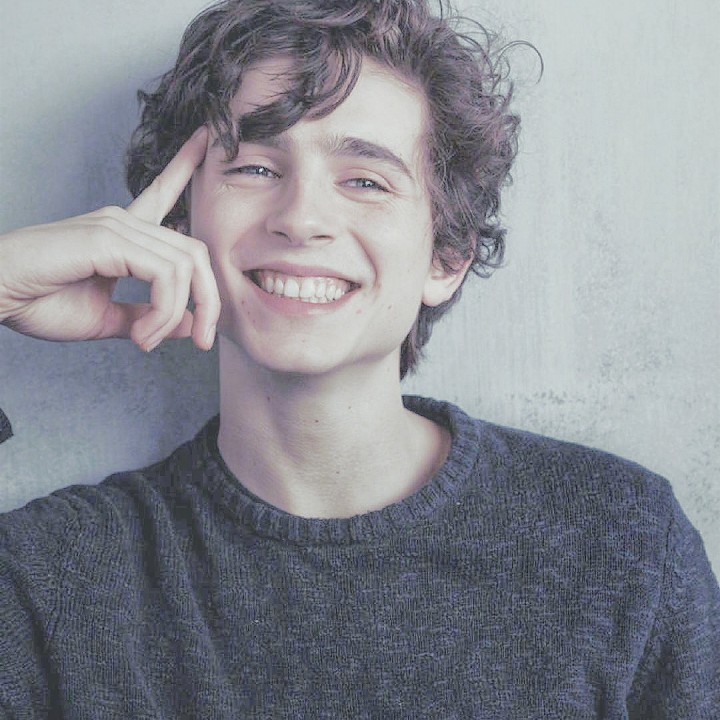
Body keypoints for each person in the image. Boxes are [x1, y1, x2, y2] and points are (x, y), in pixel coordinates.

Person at [0, 0, 718, 716]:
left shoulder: (622, 543)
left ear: (447, 256)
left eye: (365, 181)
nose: (301, 218)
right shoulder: (50, 579)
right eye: (254, 167)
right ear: (180, 226)